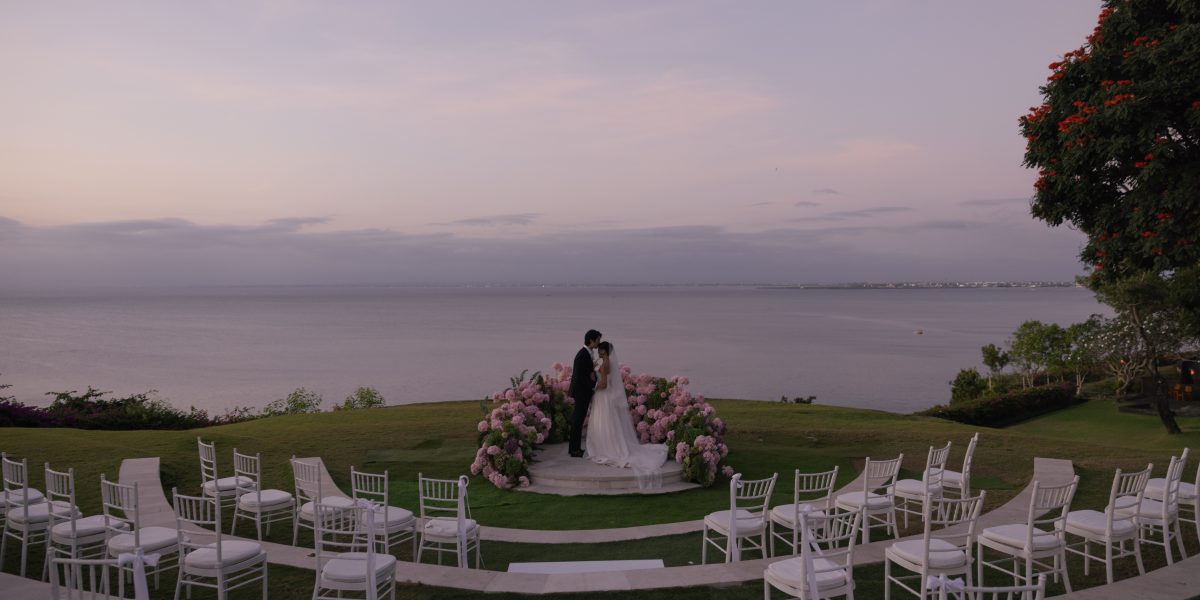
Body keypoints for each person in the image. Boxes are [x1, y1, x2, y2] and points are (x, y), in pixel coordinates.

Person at [585, 341, 667, 487]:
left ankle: (606, 446)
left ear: (604, 351)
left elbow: (603, 384)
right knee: (609, 421)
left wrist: (592, 387)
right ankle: (609, 443)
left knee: (603, 421)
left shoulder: (604, 364)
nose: (598, 351)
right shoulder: (607, 362)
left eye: (600, 350)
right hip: (608, 397)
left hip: (603, 395)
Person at [568, 329, 602, 457]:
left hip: (582, 391)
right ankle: (574, 449)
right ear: (591, 340)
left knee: (579, 420)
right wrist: (593, 386)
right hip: (581, 392)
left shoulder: (587, 353)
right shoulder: (583, 355)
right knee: (577, 420)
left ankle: (575, 448)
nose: (599, 342)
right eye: (598, 340)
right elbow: (580, 377)